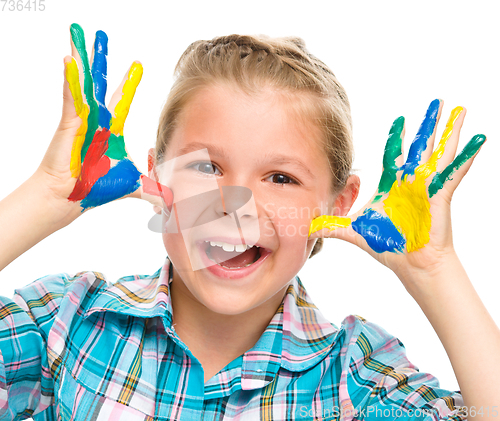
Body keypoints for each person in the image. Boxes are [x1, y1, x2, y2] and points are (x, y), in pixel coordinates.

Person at [0, 23, 498, 420]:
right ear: (155, 174)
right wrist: (45, 195)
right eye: (206, 167)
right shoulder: (67, 320)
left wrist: (434, 271)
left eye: (280, 177)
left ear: (338, 203)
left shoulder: (355, 377)